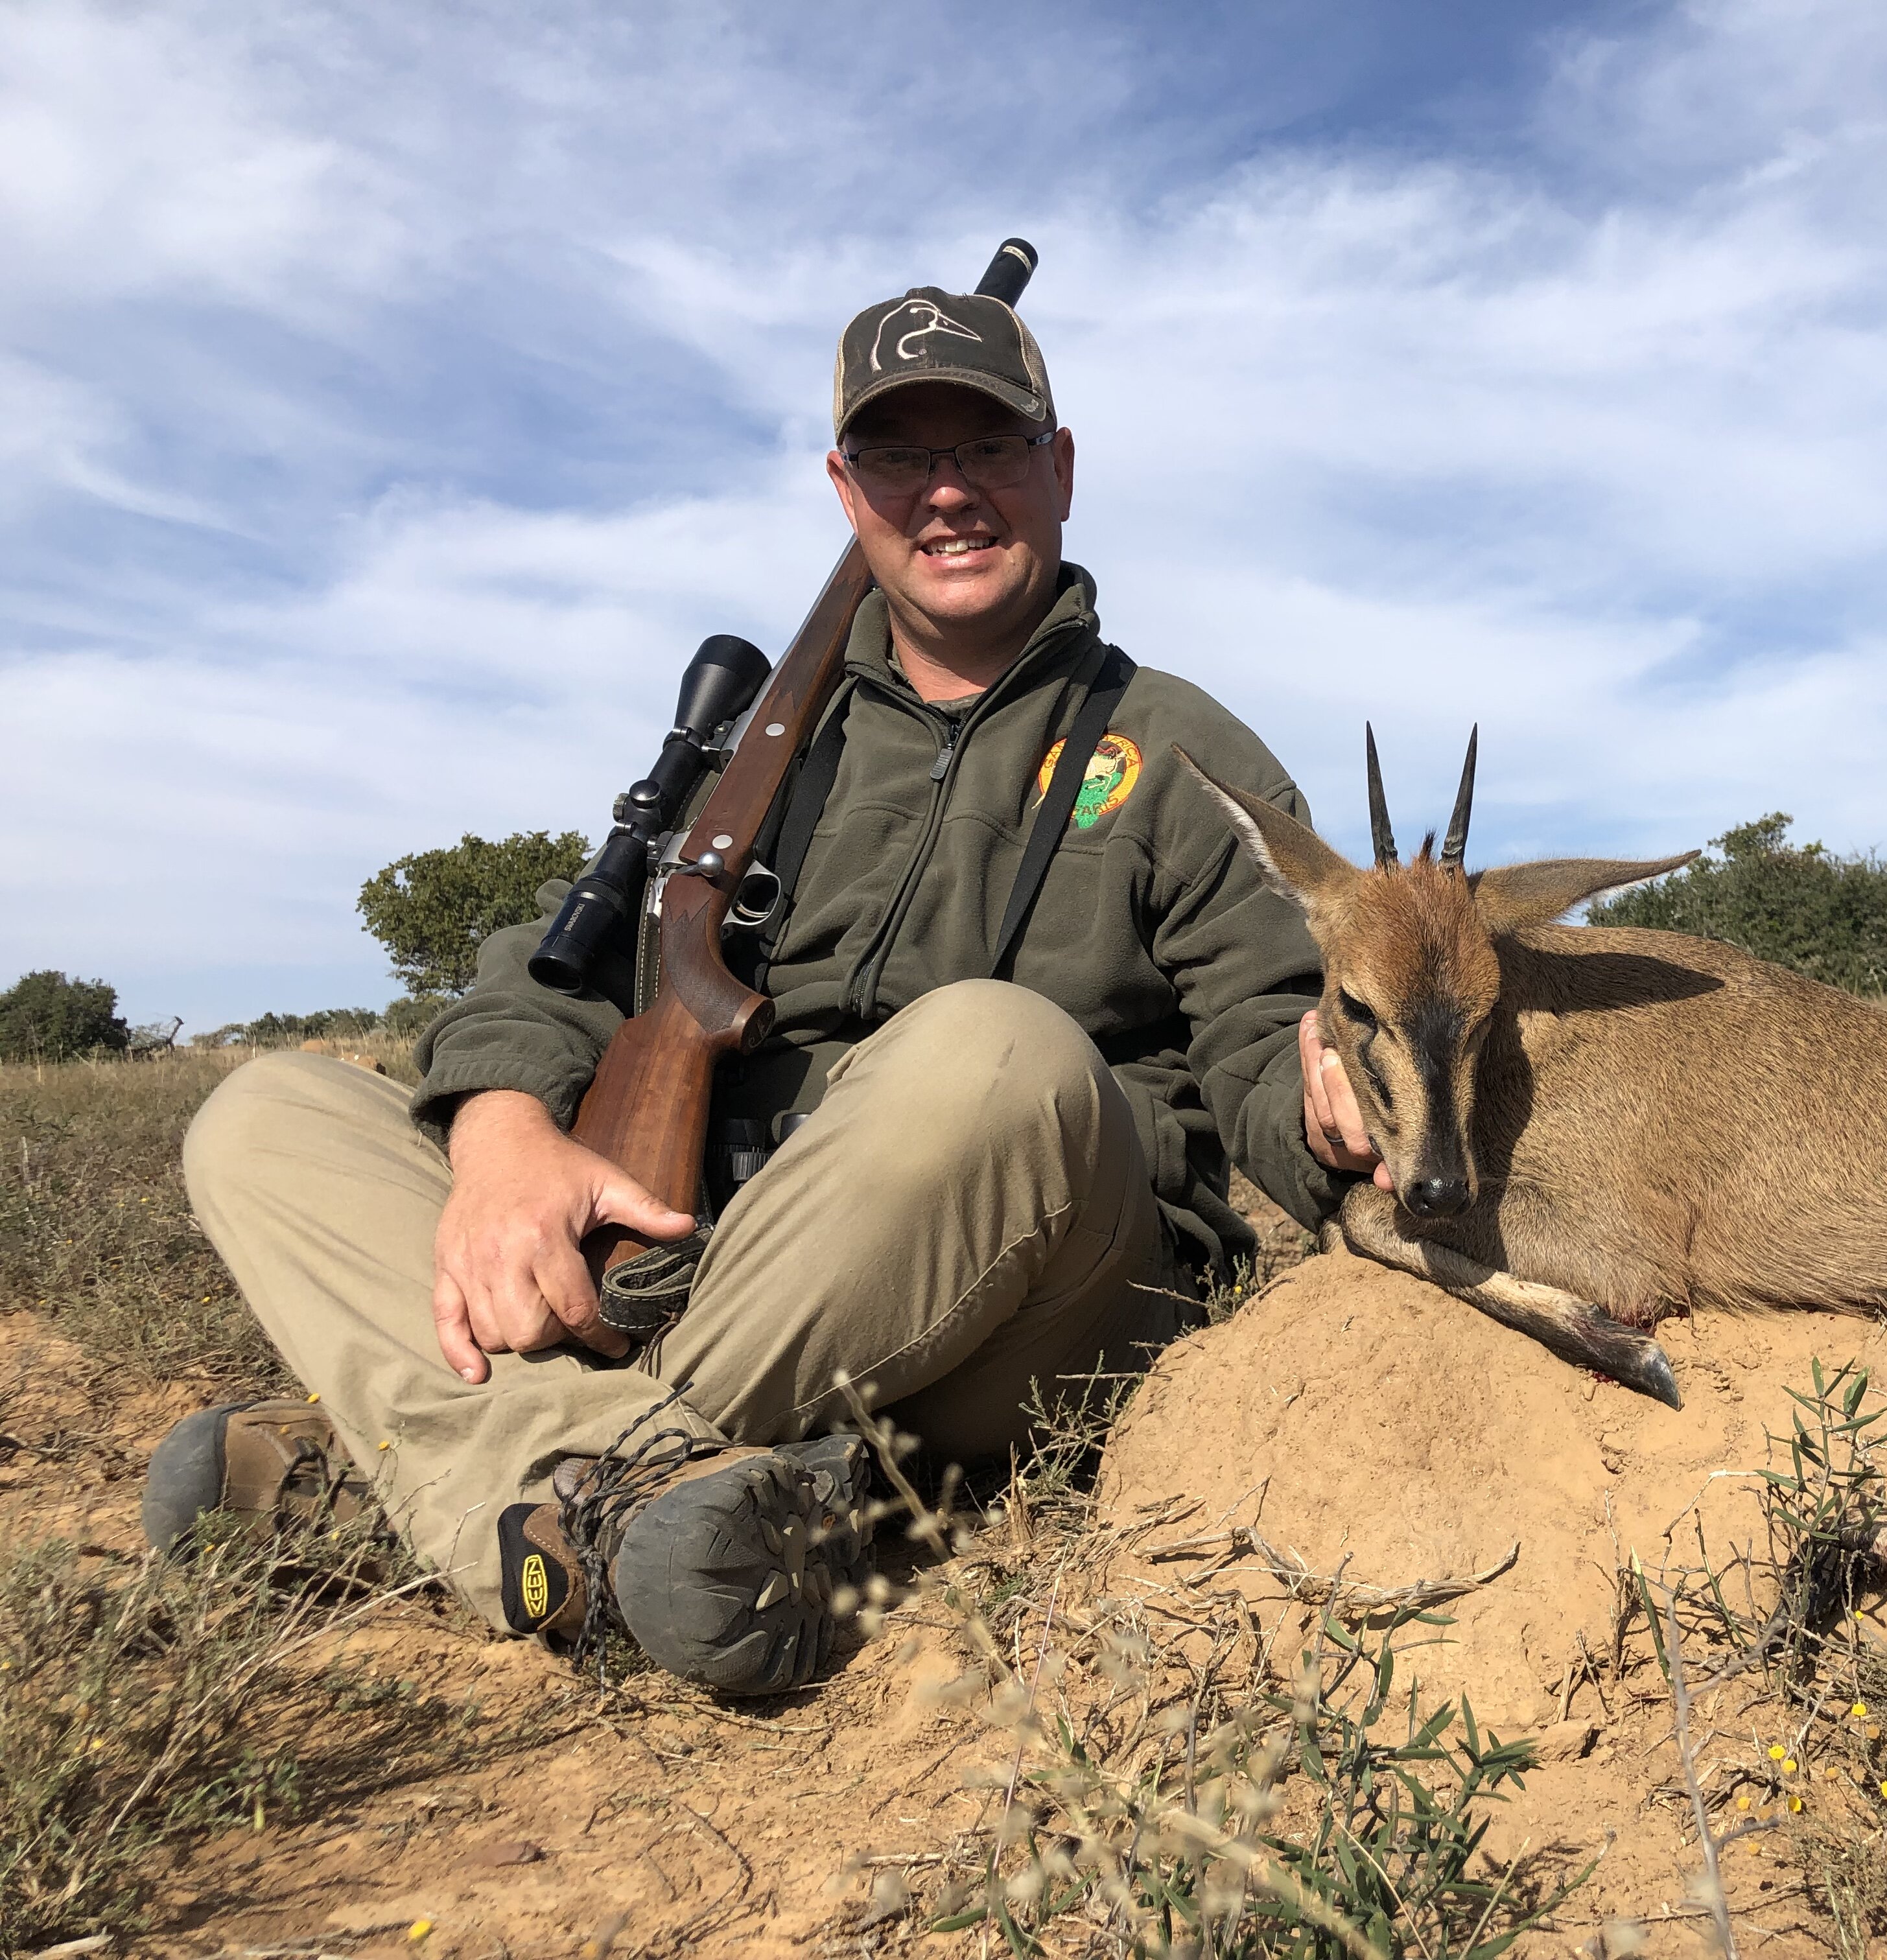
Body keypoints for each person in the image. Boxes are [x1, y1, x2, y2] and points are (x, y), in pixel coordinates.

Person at [154, 274, 1389, 1694]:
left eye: (987, 448)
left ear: (1059, 467)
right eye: (901, 457)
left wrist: (1335, 1110)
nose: (948, 495)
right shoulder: (755, 748)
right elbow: (550, 977)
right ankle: (632, 1497)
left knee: (996, 1056)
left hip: (1023, 1304)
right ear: (843, 486)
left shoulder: (1181, 748)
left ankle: (445, 1464)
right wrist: (501, 1137)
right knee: (263, 1115)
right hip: (706, 1275)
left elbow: (1272, 1035)